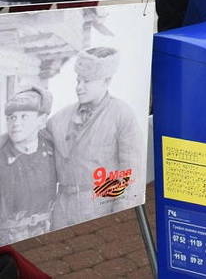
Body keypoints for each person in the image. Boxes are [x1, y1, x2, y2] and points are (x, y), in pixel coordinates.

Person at [48, 47, 142, 230]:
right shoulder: (59, 119)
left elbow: (132, 173)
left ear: (106, 81)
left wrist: (120, 218)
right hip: (62, 210)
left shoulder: (121, 115)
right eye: (78, 80)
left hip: (100, 207)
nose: (79, 87)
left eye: (87, 81)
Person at [0, 86, 57, 244]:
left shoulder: (52, 150)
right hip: (9, 242)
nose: (15, 123)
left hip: (47, 235)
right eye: (11, 117)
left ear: (41, 120)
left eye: (24, 116)